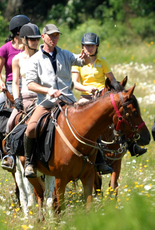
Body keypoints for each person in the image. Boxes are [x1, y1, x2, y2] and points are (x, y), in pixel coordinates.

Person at [22, 24, 114, 178]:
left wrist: (84, 58)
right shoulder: (34, 60)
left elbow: (80, 62)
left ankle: (99, 161)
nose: (54, 38)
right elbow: (30, 84)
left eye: (56, 35)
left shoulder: (65, 54)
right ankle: (29, 163)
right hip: (46, 103)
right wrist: (48, 90)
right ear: (43, 37)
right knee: (31, 128)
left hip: (68, 101)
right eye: (51, 35)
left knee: (91, 123)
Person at [71, 32, 147, 157]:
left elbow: (112, 80)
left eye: (92, 46)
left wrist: (116, 90)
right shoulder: (77, 62)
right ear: (82, 46)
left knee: (121, 117)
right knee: (75, 121)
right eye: (86, 46)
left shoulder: (103, 62)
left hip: (103, 97)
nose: (89, 48)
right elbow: (74, 83)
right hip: (86, 98)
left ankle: (132, 145)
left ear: (97, 47)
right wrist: (87, 88)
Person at [0, 15, 31, 161]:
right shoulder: (5, 48)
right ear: (18, 31)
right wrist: (1, 82)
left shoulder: (30, 47)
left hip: (28, 84)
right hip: (11, 86)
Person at [0, 23, 42, 169]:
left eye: (37, 39)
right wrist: (17, 99)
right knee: (10, 122)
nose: (35, 42)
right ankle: (10, 156)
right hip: (25, 96)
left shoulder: (43, 56)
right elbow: (16, 82)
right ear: (24, 40)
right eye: (32, 39)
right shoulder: (17, 59)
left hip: (41, 97)